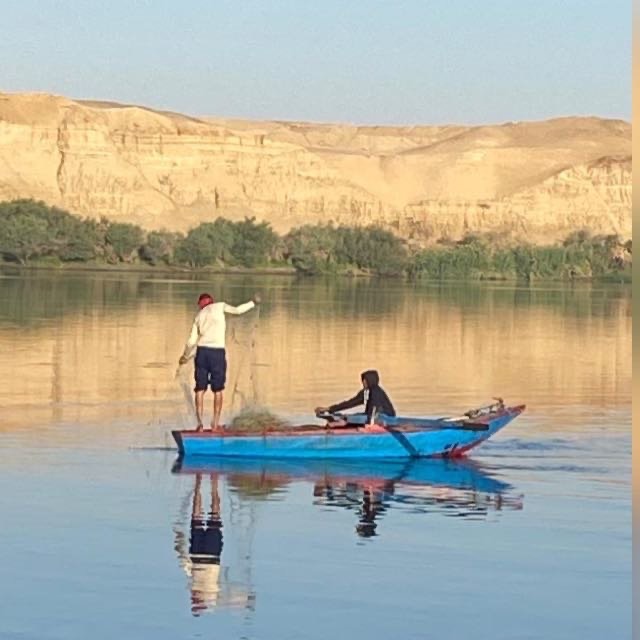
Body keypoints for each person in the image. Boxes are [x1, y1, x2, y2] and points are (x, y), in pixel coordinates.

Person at [179, 292, 260, 431]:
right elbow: (237, 310)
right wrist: (253, 302)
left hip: (202, 352)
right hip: (217, 353)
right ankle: (215, 425)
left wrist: (185, 357)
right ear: (211, 302)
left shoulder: (199, 316)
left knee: (200, 389)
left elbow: (191, 341)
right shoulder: (220, 306)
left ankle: (200, 425)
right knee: (218, 389)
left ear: (201, 305)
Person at [315, 369, 396, 425]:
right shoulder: (366, 392)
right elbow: (351, 403)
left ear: (370, 380)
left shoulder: (376, 392)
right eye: (363, 380)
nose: (363, 382)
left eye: (365, 380)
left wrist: (368, 424)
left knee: (350, 418)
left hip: (385, 419)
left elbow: (374, 409)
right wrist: (329, 409)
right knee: (348, 416)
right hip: (371, 417)